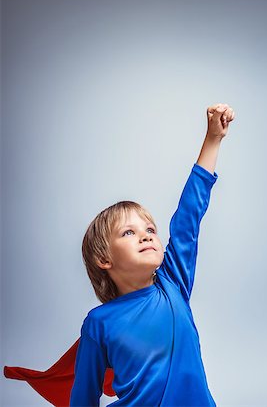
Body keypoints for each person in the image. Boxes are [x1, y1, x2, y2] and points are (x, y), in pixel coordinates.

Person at [4, 103, 235, 407]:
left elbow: (189, 215)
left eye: (150, 229)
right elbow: (84, 397)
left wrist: (212, 139)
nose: (146, 234)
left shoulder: (173, 283)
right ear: (104, 260)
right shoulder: (99, 322)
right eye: (128, 232)